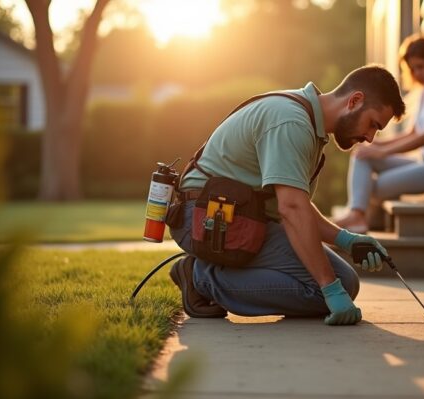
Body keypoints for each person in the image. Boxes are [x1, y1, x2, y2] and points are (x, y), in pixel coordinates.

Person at [168, 65, 406, 326]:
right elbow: (291, 209)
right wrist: (329, 287)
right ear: (354, 101)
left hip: (237, 217)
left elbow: (296, 204)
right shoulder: (292, 122)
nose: (371, 138)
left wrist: (346, 239)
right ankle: (200, 277)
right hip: (206, 218)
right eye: (373, 124)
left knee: (344, 281)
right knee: (329, 288)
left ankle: (214, 273)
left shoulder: (306, 121)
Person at [333, 36, 424, 233]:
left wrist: (383, 153)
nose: (417, 73)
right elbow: (414, 133)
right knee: (362, 155)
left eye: (421, 66)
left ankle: (358, 214)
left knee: (373, 187)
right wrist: (378, 145)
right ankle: (356, 216)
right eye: (413, 69)